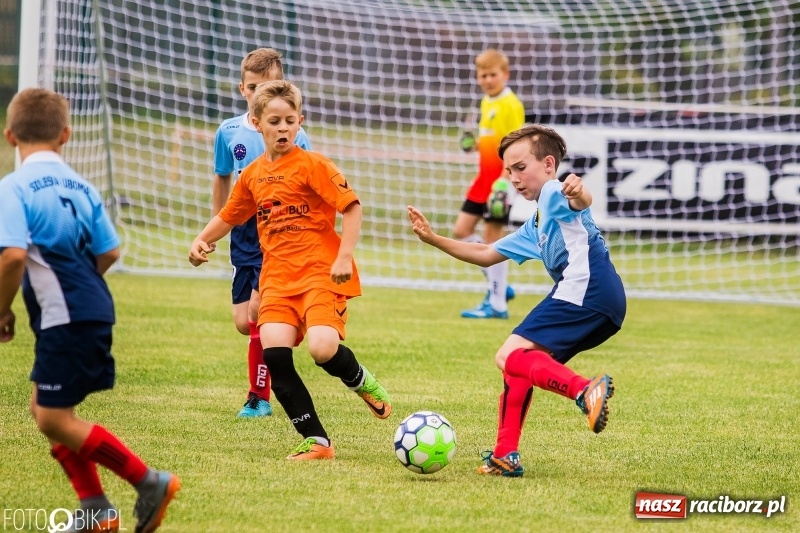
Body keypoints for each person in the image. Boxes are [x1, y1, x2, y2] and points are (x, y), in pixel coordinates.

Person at [0, 88, 179, 532]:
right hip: (93, 306)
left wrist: (2, 309)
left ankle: (148, 481)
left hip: (67, 314)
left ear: (9, 136)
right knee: (45, 408)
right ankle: (95, 509)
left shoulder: (14, 187)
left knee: (54, 417)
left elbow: (13, 257)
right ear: (66, 135)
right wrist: (81, 285)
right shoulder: (82, 185)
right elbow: (111, 251)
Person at [190, 80, 392, 460]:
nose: (282, 128)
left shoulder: (314, 165)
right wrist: (201, 239)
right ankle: (317, 441)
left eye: (289, 121)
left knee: (321, 348)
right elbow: (230, 215)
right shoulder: (251, 175)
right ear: (257, 123)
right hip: (276, 279)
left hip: (319, 272)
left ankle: (359, 379)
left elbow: (351, 207)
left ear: (300, 122)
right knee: (276, 356)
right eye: (274, 121)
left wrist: (344, 256)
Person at [408, 124, 626, 477]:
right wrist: (434, 239)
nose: (514, 177)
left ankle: (584, 389)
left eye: (521, 168)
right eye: (509, 171)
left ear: (550, 165)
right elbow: (485, 252)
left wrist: (579, 191)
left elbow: (579, 200)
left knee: (508, 355)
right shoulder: (535, 224)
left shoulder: (556, 191)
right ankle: (504, 455)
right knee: (518, 363)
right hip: (602, 300)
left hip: (586, 288)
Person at [213, 48, 313, 418]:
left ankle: (259, 397)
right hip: (242, 234)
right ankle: (292, 323)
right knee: (244, 321)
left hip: (279, 231)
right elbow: (222, 177)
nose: (258, 94)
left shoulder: (296, 135)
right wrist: (215, 227)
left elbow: (310, 186)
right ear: (242, 88)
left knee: (257, 313)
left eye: (266, 86)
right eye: (253, 87)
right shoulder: (228, 132)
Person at [455, 48, 526, 319]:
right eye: (482, 75)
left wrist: (506, 181)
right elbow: (493, 143)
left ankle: (497, 303)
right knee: (462, 230)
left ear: (505, 74)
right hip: (482, 179)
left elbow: (517, 145)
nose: (487, 80)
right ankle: (500, 285)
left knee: (492, 240)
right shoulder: (487, 102)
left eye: (492, 74)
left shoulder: (511, 104)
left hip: (500, 182)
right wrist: (474, 145)